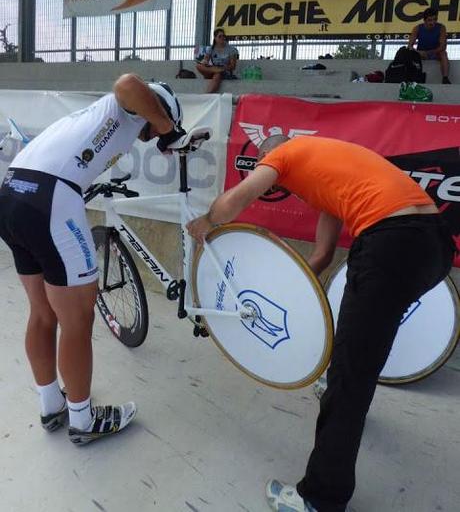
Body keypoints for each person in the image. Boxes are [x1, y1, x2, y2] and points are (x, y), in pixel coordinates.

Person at [187, 134, 455, 512]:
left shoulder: (284, 154)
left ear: (267, 155)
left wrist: (206, 222)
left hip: (392, 242)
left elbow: (234, 201)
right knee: (357, 357)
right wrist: (287, 291)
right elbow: (322, 256)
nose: (270, 176)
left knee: (350, 374)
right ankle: (344, 400)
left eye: (266, 166)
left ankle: (319, 498)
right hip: (434, 246)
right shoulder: (326, 172)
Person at [0, 74, 185, 446]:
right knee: (78, 318)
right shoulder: (127, 107)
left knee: (42, 312)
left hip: (12, 193)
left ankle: (52, 404)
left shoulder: (97, 118)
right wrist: (169, 129)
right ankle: (82, 419)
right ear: (157, 107)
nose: (150, 138)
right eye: (157, 126)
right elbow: (129, 82)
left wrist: (164, 132)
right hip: (51, 200)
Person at [408, 7, 451, 84]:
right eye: (430, 20)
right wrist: (418, 52)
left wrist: (428, 53)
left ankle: (445, 78)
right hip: (421, 54)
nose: (433, 22)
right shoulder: (417, 28)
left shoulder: (441, 28)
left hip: (435, 53)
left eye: (435, 19)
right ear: (424, 20)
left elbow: (443, 47)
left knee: (444, 53)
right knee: (410, 55)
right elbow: (410, 46)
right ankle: (409, 78)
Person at [196, 28, 239, 93]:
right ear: (215, 38)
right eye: (220, 36)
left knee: (217, 75)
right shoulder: (211, 48)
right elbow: (206, 60)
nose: (222, 38)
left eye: (223, 36)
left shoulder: (231, 49)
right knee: (198, 66)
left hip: (224, 71)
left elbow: (233, 66)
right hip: (213, 69)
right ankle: (216, 70)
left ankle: (208, 95)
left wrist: (222, 69)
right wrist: (205, 62)